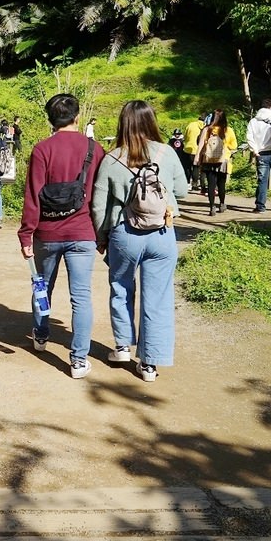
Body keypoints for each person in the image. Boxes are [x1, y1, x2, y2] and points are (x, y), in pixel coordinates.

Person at [92, 100, 188, 382]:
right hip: (162, 232)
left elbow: (98, 205)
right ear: (151, 122)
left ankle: (122, 346)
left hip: (125, 233)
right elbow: (181, 190)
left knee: (120, 287)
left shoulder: (112, 158)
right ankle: (149, 364)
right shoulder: (167, 152)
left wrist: (101, 237)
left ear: (123, 124)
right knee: (157, 298)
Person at [18, 94, 105, 379]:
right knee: (81, 297)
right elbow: (100, 198)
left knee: (43, 288)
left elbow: (33, 196)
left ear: (50, 119)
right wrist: (102, 233)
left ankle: (41, 336)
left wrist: (26, 235)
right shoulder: (95, 149)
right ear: (78, 116)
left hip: (47, 233)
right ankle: (79, 360)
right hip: (83, 232)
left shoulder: (42, 149)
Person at [193, 110, 237, 216]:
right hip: (222, 161)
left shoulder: (207, 129)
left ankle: (212, 207)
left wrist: (197, 157)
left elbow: (200, 146)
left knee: (211, 184)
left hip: (208, 160)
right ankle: (222, 204)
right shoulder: (228, 130)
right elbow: (234, 146)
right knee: (221, 184)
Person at [182, 113, 206, 188]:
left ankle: (187, 182)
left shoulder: (191, 125)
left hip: (188, 149)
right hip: (198, 150)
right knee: (196, 167)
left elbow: (185, 136)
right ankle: (195, 183)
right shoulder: (205, 127)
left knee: (187, 167)